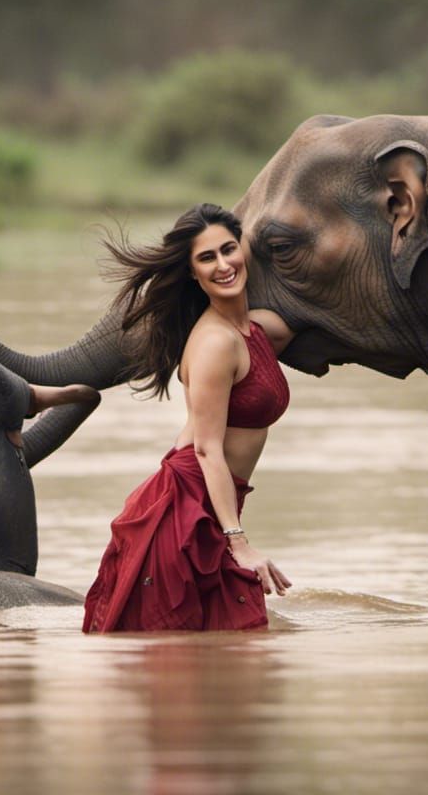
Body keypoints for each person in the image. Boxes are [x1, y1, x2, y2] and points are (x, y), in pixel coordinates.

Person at [82, 203, 294, 632]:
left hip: (214, 507)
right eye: (207, 258)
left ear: (244, 249)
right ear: (193, 273)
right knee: (191, 646)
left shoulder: (257, 329)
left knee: (220, 647)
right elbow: (206, 449)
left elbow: (292, 329)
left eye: (228, 249)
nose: (223, 265)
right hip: (186, 511)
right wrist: (239, 542)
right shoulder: (215, 343)